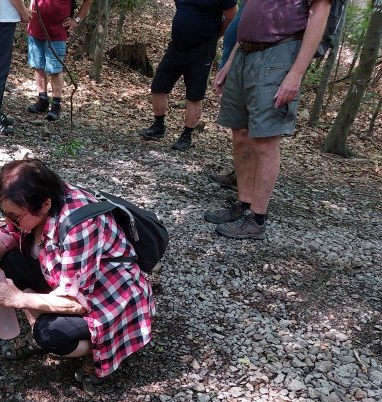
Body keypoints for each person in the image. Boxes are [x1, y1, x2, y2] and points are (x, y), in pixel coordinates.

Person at [0, 159, 155, 387]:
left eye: (14, 216)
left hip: (108, 297)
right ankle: (42, 327)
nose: (9, 221)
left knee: (49, 335)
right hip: (67, 277)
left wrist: (17, 298)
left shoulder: (80, 226)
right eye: (4, 213)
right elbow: (8, 236)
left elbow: (76, 302)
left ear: (45, 205)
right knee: (12, 262)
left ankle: (98, 350)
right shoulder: (38, 199)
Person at [205, 0, 332, 239]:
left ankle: (256, 218)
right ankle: (244, 205)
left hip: (278, 54)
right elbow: (247, 19)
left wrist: (295, 74)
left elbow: (319, 14)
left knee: (264, 140)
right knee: (240, 133)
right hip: (244, 53)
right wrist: (230, 62)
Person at [138, 0, 237, 151]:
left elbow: (232, 16)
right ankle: (158, 126)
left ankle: (186, 135)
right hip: (176, 46)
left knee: (194, 95)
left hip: (202, 50)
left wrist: (214, 34)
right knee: (158, 86)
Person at [26, 0, 93, 122]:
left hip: (57, 31)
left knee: (55, 69)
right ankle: (42, 100)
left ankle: (56, 105)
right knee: (38, 66)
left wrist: (77, 20)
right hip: (35, 26)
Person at [207, 0, 245, 190]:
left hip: (254, 63)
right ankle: (239, 177)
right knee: (239, 130)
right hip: (235, 60)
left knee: (252, 132)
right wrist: (227, 64)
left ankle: (250, 193)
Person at [0, 0, 33, 135]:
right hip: (2, 18)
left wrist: (22, 11)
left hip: (1, 16)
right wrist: (23, 12)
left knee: (0, 68)